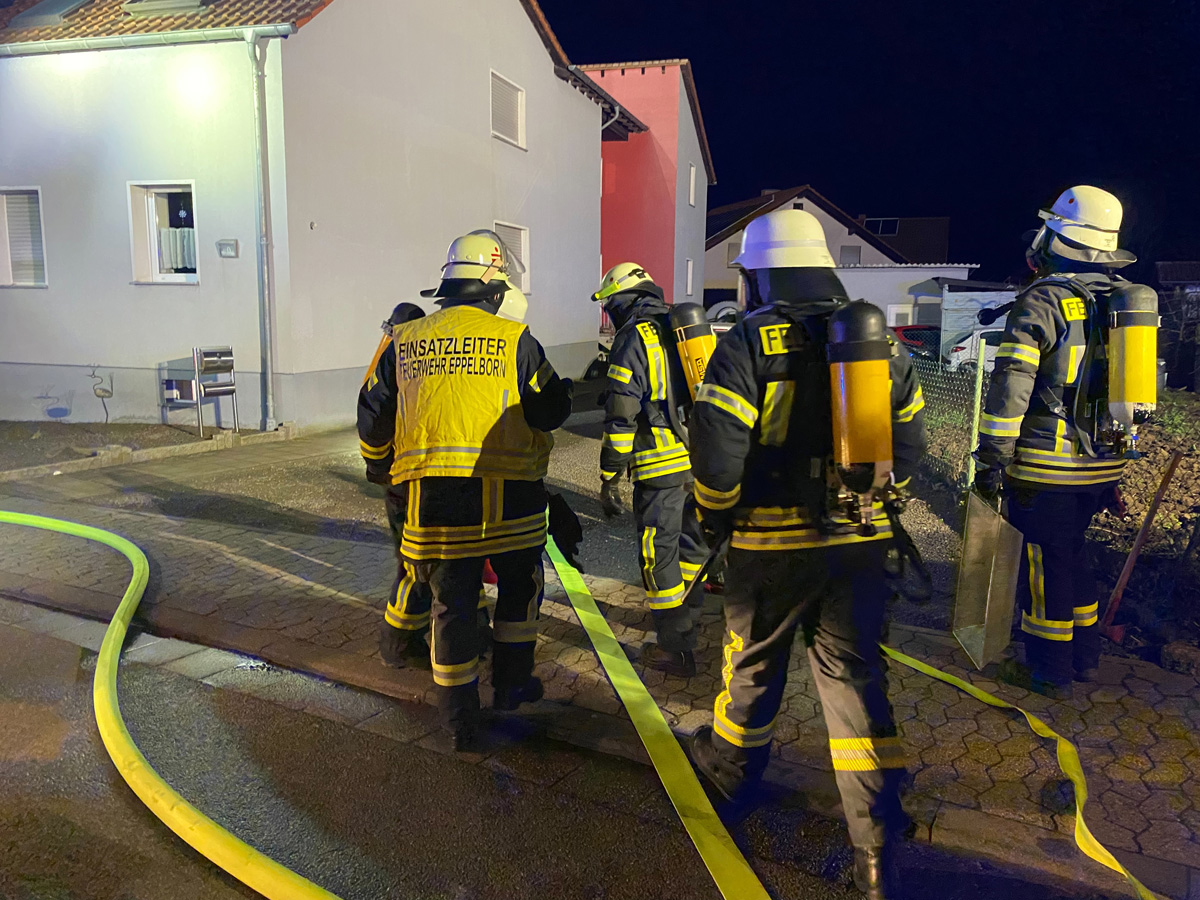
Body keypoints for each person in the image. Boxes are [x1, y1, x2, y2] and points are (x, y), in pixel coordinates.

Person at [686, 208, 927, 900]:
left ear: (762, 276)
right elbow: (909, 450)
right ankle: (875, 850)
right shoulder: (881, 346)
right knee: (856, 683)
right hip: (858, 544)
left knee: (753, 669)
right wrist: (874, 505)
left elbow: (717, 455)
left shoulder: (747, 341)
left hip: (769, 545)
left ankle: (732, 780)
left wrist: (714, 517)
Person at [358, 229, 572, 749]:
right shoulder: (514, 340)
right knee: (519, 590)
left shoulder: (405, 341)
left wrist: (381, 467)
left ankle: (459, 722)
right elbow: (551, 410)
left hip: (435, 504)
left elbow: (372, 414)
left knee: (451, 607)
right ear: (495, 290)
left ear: (447, 288)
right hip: (513, 501)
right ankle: (512, 687)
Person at [974, 186, 1150, 697]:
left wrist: (993, 458)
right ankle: (1085, 658)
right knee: (1072, 555)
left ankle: (1049, 671)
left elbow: (1012, 384)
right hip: (1103, 462)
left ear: (1058, 238)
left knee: (1043, 567)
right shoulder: (1121, 299)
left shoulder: (1045, 300)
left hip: (1047, 467)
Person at [591, 263, 709, 677]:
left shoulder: (633, 337)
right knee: (691, 546)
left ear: (621, 302)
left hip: (660, 467)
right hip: (700, 460)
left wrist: (610, 476)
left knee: (658, 555)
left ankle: (675, 648)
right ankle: (686, 619)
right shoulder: (681, 328)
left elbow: (622, 412)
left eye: (610, 307)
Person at [360, 302, 439, 670]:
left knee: (421, 562)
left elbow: (371, 417)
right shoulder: (416, 360)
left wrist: (378, 467)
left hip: (400, 479)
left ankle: (413, 637)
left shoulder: (390, 359)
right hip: (415, 481)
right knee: (419, 564)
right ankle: (399, 643)